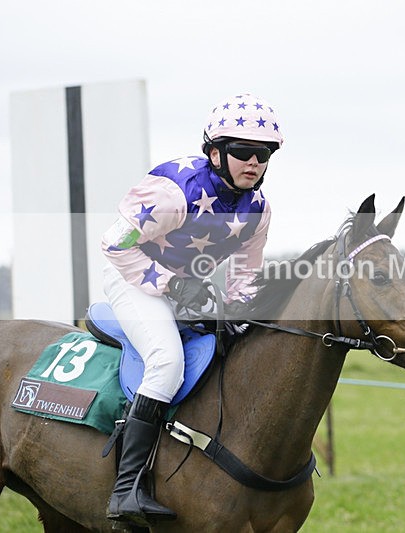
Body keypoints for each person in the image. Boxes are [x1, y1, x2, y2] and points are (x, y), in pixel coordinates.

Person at [100, 93, 283, 526]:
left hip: (187, 287)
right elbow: (113, 244)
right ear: (215, 153)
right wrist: (172, 285)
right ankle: (125, 491)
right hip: (132, 276)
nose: (254, 163)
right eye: (243, 152)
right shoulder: (172, 193)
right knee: (166, 364)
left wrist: (241, 312)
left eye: (264, 154)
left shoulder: (258, 210)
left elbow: (243, 278)